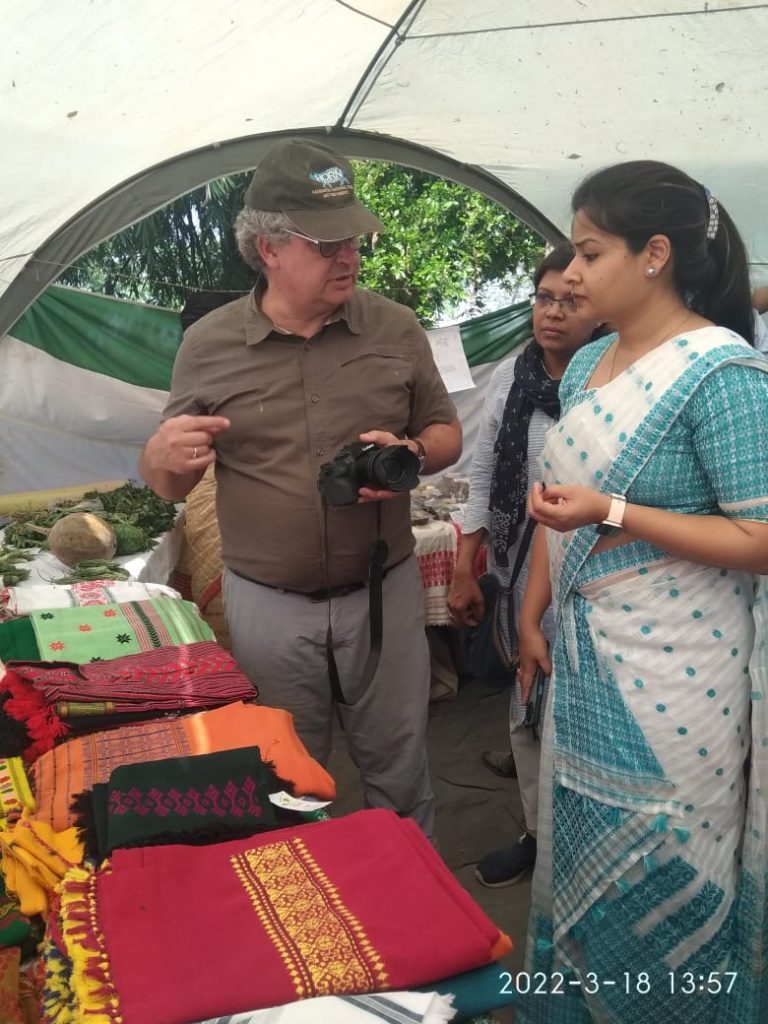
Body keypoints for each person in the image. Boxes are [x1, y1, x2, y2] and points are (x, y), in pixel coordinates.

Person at [139, 138, 462, 838]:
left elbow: (445, 434)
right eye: (328, 243)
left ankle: (418, 925)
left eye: (353, 238)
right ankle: (307, 924)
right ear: (270, 249)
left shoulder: (394, 326)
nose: (349, 255)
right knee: (286, 781)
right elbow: (170, 476)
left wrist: (409, 450)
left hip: (384, 590)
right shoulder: (210, 344)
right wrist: (160, 457)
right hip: (269, 607)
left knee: (400, 771)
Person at [516, 160, 768, 1023]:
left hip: (677, 677)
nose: (572, 274)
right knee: (580, 833)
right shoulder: (588, 362)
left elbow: (762, 539)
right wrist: (531, 606)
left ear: (655, 253)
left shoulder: (722, 370)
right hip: (586, 660)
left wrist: (618, 510)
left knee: (667, 849)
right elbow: (566, 501)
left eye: (589, 253)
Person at [447, 244, 600, 886]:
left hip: (593, 578)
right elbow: (485, 469)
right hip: (516, 570)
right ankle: (537, 838)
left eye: (571, 300)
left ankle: (586, 844)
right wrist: (465, 565)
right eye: (544, 299)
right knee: (527, 703)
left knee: (586, 717)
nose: (553, 314)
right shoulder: (515, 376)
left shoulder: (615, 377)